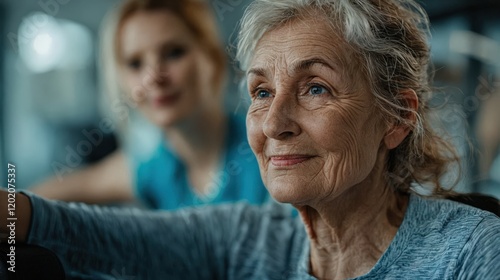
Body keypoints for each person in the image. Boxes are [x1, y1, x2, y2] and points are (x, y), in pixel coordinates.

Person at [2, 0, 500, 278]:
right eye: (261, 91)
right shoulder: (252, 239)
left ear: (397, 117)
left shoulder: (472, 252)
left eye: (316, 88)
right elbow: (80, 230)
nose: (274, 122)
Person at [30, 0, 269, 210]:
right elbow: (57, 190)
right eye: (135, 63)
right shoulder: (153, 167)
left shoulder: (266, 145)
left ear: (211, 58)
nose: (154, 77)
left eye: (173, 53)